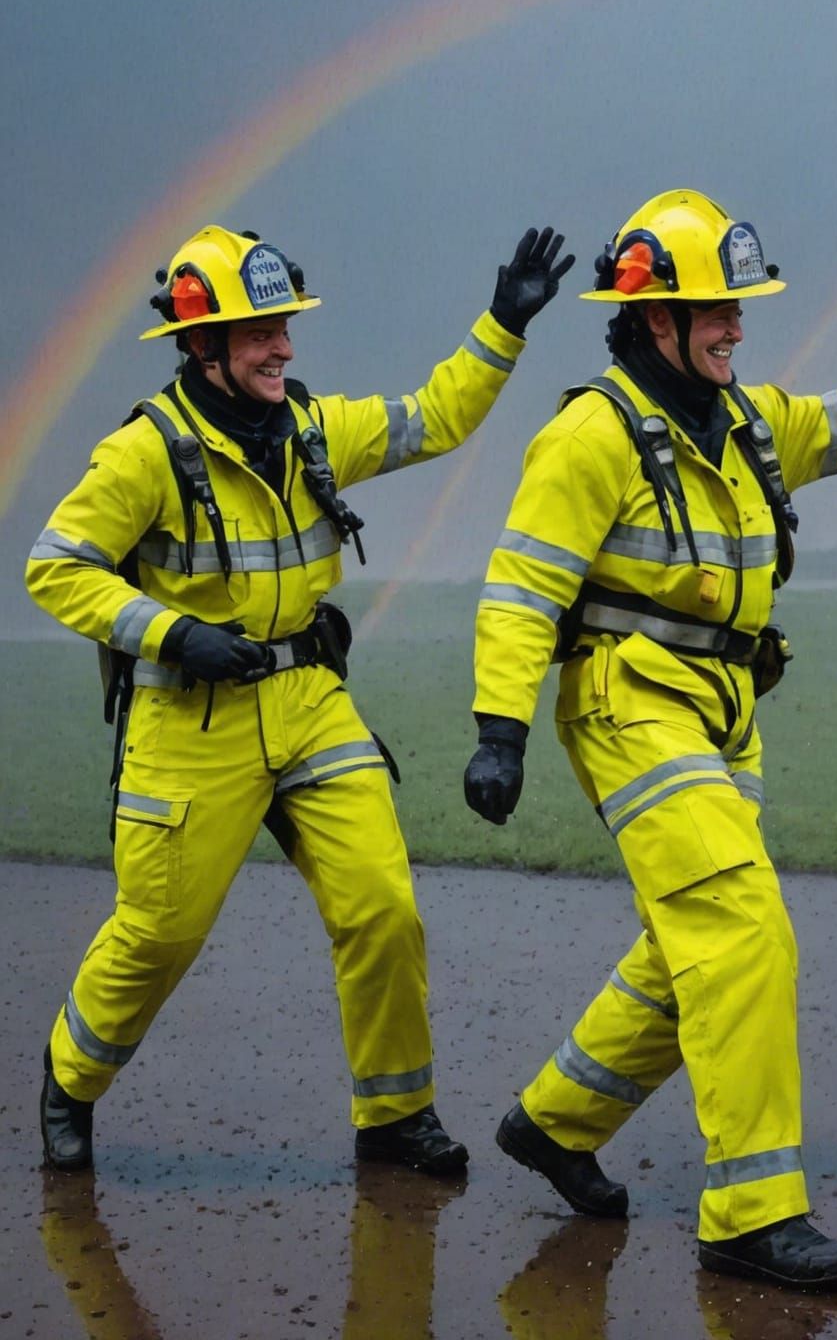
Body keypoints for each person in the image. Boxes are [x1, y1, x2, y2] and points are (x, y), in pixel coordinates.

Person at [464, 188, 837, 1292]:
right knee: (743, 931)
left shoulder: (744, 421)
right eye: (715, 308)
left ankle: (555, 1122)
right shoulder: (588, 433)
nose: (736, 322)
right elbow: (518, 592)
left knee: (684, 941)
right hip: (627, 702)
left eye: (739, 304)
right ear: (655, 321)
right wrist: (498, 730)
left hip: (723, 711)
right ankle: (749, 1214)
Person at [29, 219, 574, 1175]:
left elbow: (433, 418)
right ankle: (68, 1079)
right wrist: (171, 631)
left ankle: (396, 1116)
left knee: (383, 909)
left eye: (284, 328)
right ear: (201, 346)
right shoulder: (144, 453)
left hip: (311, 700)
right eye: (258, 333)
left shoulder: (314, 429)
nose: (282, 346)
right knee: (158, 935)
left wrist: (503, 323)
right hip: (190, 722)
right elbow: (55, 565)